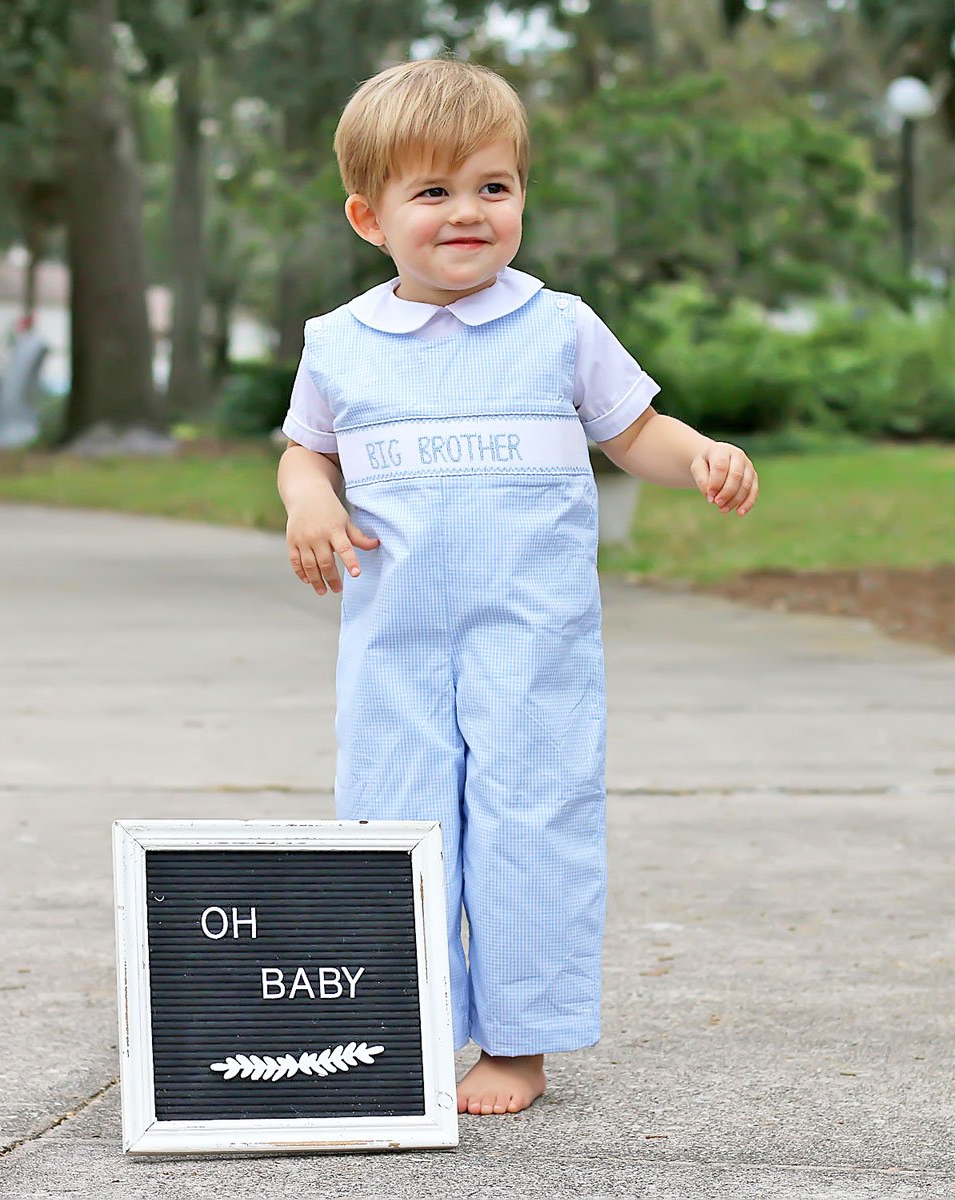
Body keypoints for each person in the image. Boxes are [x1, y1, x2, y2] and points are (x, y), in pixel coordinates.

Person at [275, 57, 759, 1118]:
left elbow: (635, 433)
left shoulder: (560, 327)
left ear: (523, 198)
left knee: (531, 817)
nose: (469, 213)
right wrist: (308, 500)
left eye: (494, 187)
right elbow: (305, 452)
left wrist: (703, 457)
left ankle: (519, 1041)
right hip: (394, 641)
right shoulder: (341, 344)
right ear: (370, 215)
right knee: (391, 820)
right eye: (434, 191)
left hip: (531, 641)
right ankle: (397, 1031)